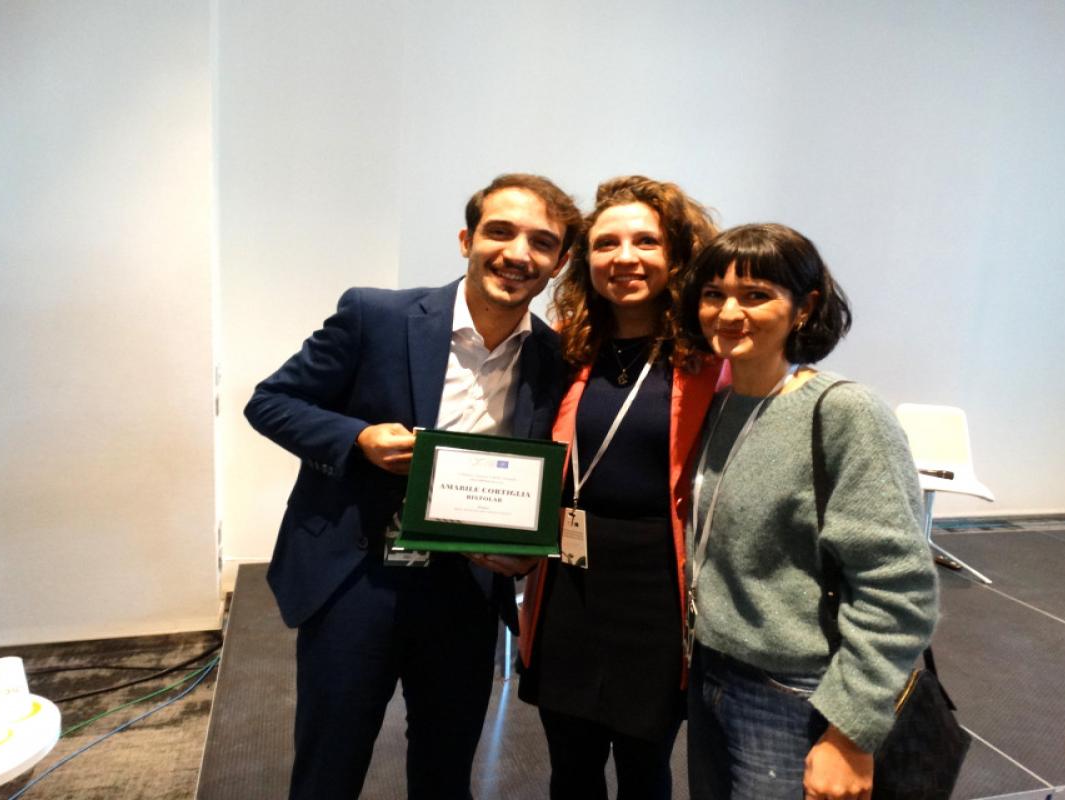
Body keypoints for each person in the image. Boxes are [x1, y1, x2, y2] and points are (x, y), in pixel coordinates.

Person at [244, 173, 582, 800]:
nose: (518, 253)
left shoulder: (555, 359)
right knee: (328, 768)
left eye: (541, 242)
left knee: (445, 770)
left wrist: (528, 552)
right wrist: (357, 438)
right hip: (356, 579)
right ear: (466, 240)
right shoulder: (375, 315)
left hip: (464, 589)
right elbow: (270, 402)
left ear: (559, 262)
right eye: (500, 232)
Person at [678, 223, 939, 800]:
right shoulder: (719, 406)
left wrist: (851, 732)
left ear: (804, 307)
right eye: (714, 294)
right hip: (711, 672)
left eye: (756, 295)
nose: (728, 313)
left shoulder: (846, 413)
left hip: (795, 692)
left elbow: (898, 587)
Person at [517, 175, 718, 800]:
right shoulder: (566, 348)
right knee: (570, 765)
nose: (624, 257)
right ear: (586, 260)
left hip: (656, 589)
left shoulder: (711, 358)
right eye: (606, 244)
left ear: (677, 255)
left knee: (644, 766)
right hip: (567, 580)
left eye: (645, 242)